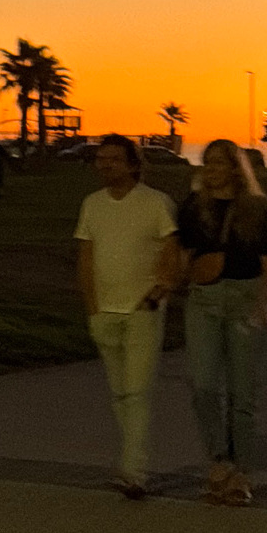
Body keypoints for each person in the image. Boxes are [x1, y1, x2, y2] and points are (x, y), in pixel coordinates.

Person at [176, 139, 267, 506]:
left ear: (236, 168)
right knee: (204, 386)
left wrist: (264, 304)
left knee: (243, 395)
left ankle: (241, 473)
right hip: (205, 302)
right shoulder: (195, 207)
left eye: (219, 163)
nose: (211, 169)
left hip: (246, 299)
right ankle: (219, 460)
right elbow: (182, 253)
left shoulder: (258, 208)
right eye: (207, 162)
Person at [73, 135, 180, 498]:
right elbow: (86, 258)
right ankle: (129, 463)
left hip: (141, 312)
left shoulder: (156, 202)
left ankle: (135, 471)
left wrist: (159, 290)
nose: (105, 165)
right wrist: (92, 308)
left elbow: (172, 250)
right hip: (104, 311)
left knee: (136, 391)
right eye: (101, 159)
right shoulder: (92, 204)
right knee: (119, 393)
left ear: (133, 164)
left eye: (114, 159)